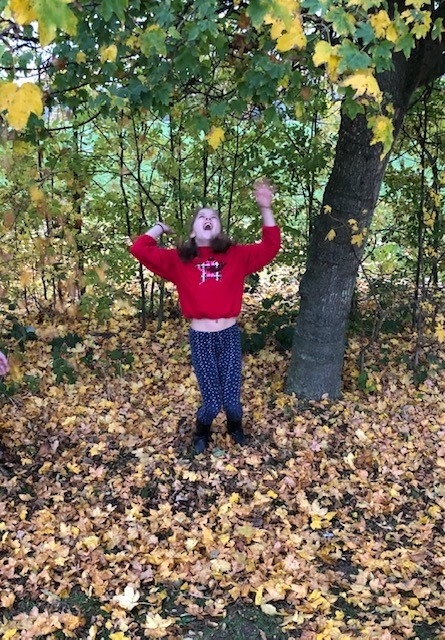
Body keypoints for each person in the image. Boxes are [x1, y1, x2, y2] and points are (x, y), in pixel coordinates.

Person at [129, 180, 281, 453]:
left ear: (219, 228)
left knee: (232, 403)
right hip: (201, 339)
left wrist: (265, 208)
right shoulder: (178, 260)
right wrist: (159, 228)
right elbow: (139, 249)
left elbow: (270, 247)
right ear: (192, 230)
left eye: (213, 217)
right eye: (202, 217)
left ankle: (235, 428)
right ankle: (202, 432)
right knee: (211, 403)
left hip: (229, 336)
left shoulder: (236, 256)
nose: (208, 219)